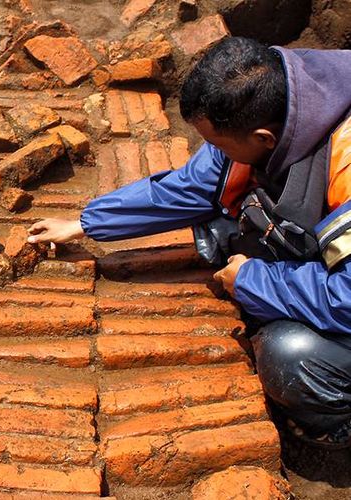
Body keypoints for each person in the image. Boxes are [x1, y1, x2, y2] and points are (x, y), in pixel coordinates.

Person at [27, 36, 351, 448]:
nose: (213, 152)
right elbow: (192, 188)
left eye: (217, 144)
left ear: (264, 138)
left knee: (292, 356)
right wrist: (84, 223)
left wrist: (255, 281)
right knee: (224, 228)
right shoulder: (280, 96)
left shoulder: (345, 162)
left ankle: (336, 423)